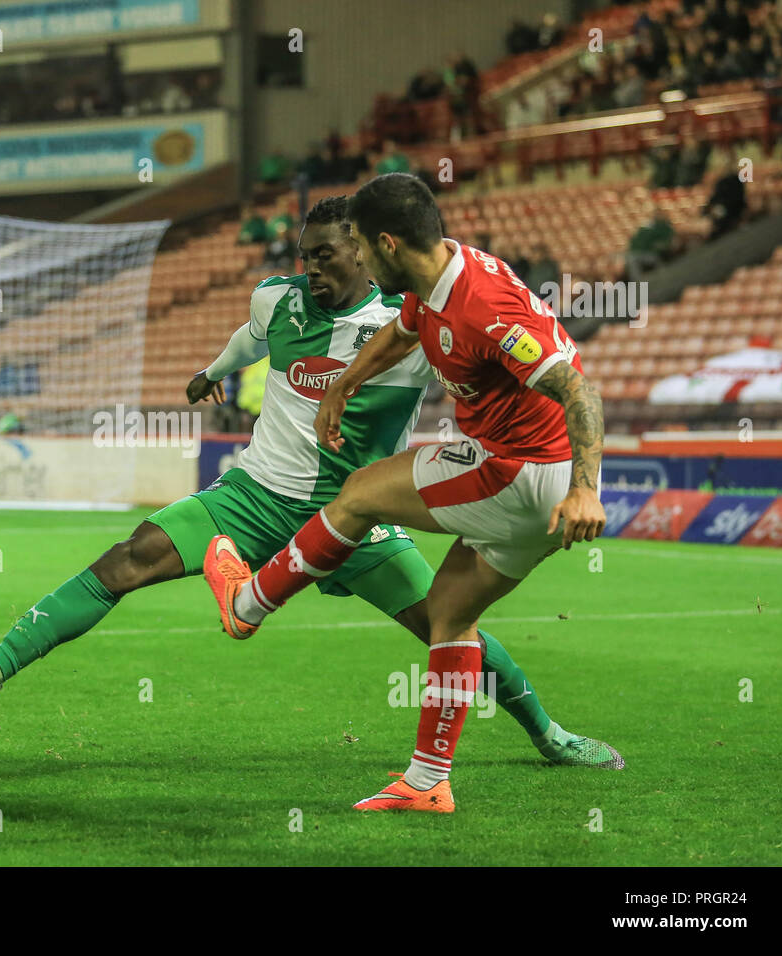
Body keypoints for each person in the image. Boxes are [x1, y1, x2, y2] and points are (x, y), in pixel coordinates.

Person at [0, 196, 620, 776]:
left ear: (370, 252)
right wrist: (214, 370)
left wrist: (559, 470)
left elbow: (499, 369)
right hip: (252, 496)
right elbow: (250, 342)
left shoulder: (417, 321)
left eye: (328, 255)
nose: (310, 268)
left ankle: (547, 732)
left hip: (359, 520)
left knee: (445, 621)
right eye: (304, 255)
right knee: (127, 558)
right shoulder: (276, 302)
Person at [202, 174, 614, 813]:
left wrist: (586, 489)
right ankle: (426, 784)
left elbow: (578, 390)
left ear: (388, 243)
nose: (358, 259)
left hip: (520, 470)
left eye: (361, 247)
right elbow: (402, 331)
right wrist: (342, 385)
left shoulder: (485, 306)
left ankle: (249, 603)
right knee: (450, 615)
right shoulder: (437, 278)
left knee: (361, 491)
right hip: (530, 490)